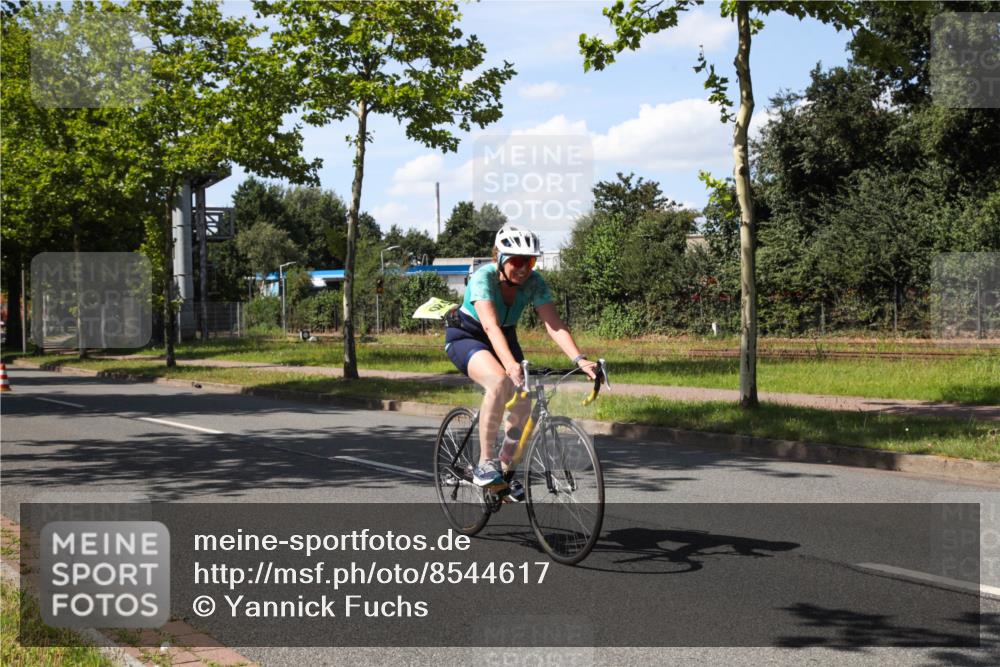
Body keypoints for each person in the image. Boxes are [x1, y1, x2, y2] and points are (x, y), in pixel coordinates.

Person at [444, 224, 598, 500]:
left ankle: (503, 474)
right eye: (516, 260)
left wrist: (580, 359)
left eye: (529, 261)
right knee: (500, 381)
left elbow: (554, 325)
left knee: (524, 403)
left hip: (505, 335)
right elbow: (489, 326)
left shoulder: (535, 283)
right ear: (499, 259)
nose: (524, 267)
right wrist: (510, 366)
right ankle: (485, 463)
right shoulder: (484, 278)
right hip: (468, 335)